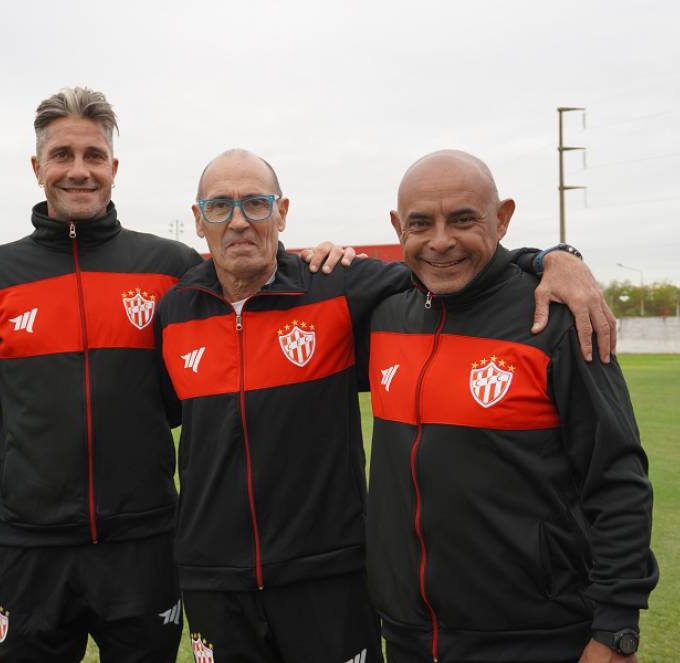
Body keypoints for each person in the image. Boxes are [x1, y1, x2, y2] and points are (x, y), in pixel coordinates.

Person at [0, 88, 351, 662]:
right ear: (37, 168)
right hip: (29, 547)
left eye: (94, 156)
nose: (79, 170)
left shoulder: (169, 267)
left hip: (145, 545)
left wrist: (320, 258)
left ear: (114, 168)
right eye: (62, 155)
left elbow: (253, 273)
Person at [155, 149, 612, 661]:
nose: (239, 221)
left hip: (329, 577)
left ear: (282, 212)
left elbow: (455, 264)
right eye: (219, 207)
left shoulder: (338, 285)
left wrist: (552, 257)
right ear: (198, 221)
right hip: (214, 581)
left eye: (256, 204)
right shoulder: (173, 311)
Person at [366, 150, 658, 663]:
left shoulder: (557, 320)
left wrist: (617, 625)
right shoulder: (386, 314)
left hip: (534, 637)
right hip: (408, 636)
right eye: (420, 223)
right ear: (397, 227)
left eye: (463, 219)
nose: (440, 240)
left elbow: (617, 477)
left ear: (502, 218)